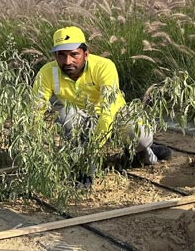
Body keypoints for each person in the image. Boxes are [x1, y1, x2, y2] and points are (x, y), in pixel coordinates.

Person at [32, 26, 171, 184]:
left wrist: (91, 154)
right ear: (55, 56)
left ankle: (142, 152)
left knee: (138, 134)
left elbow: (108, 112)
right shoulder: (47, 73)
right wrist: (33, 148)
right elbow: (36, 110)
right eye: (61, 56)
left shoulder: (104, 66)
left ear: (86, 54)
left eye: (74, 54)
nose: (67, 61)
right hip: (83, 122)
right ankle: (78, 159)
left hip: (116, 117)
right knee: (65, 115)